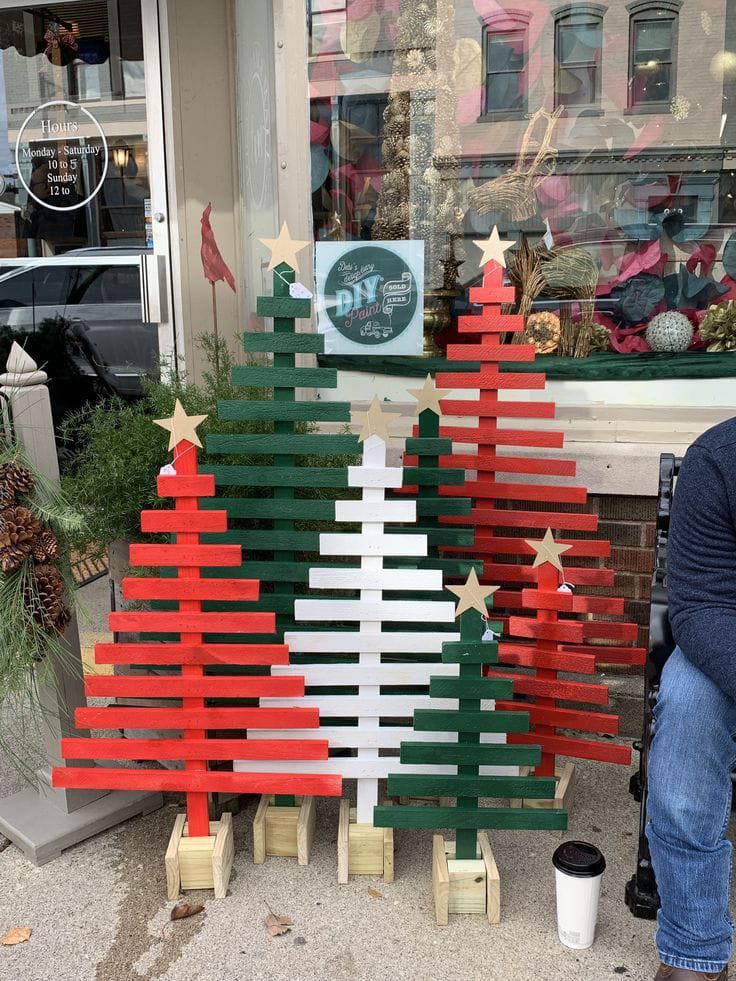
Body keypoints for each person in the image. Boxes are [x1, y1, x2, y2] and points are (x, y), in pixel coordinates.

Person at [647, 419, 736, 980]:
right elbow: (702, 602)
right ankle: (695, 948)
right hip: (725, 639)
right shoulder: (719, 459)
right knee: (685, 712)